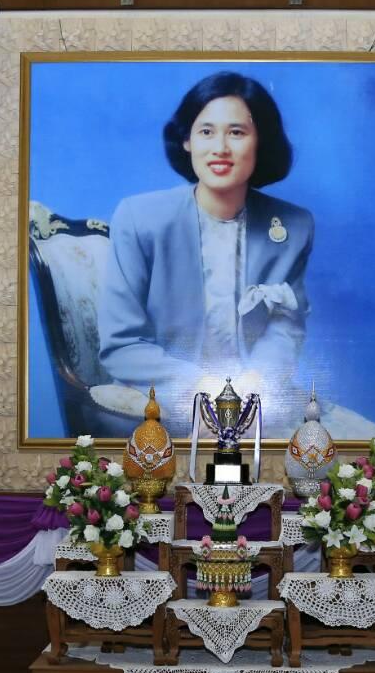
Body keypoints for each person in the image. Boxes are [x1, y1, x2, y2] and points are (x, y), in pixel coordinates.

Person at [97, 71, 312, 416]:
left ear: (261, 141)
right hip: (165, 397)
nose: (220, 149)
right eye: (206, 132)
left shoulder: (293, 226)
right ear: (187, 141)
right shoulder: (140, 218)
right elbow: (121, 345)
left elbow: (286, 328)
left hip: (256, 398)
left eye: (237, 132)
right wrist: (204, 386)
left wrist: (257, 381)